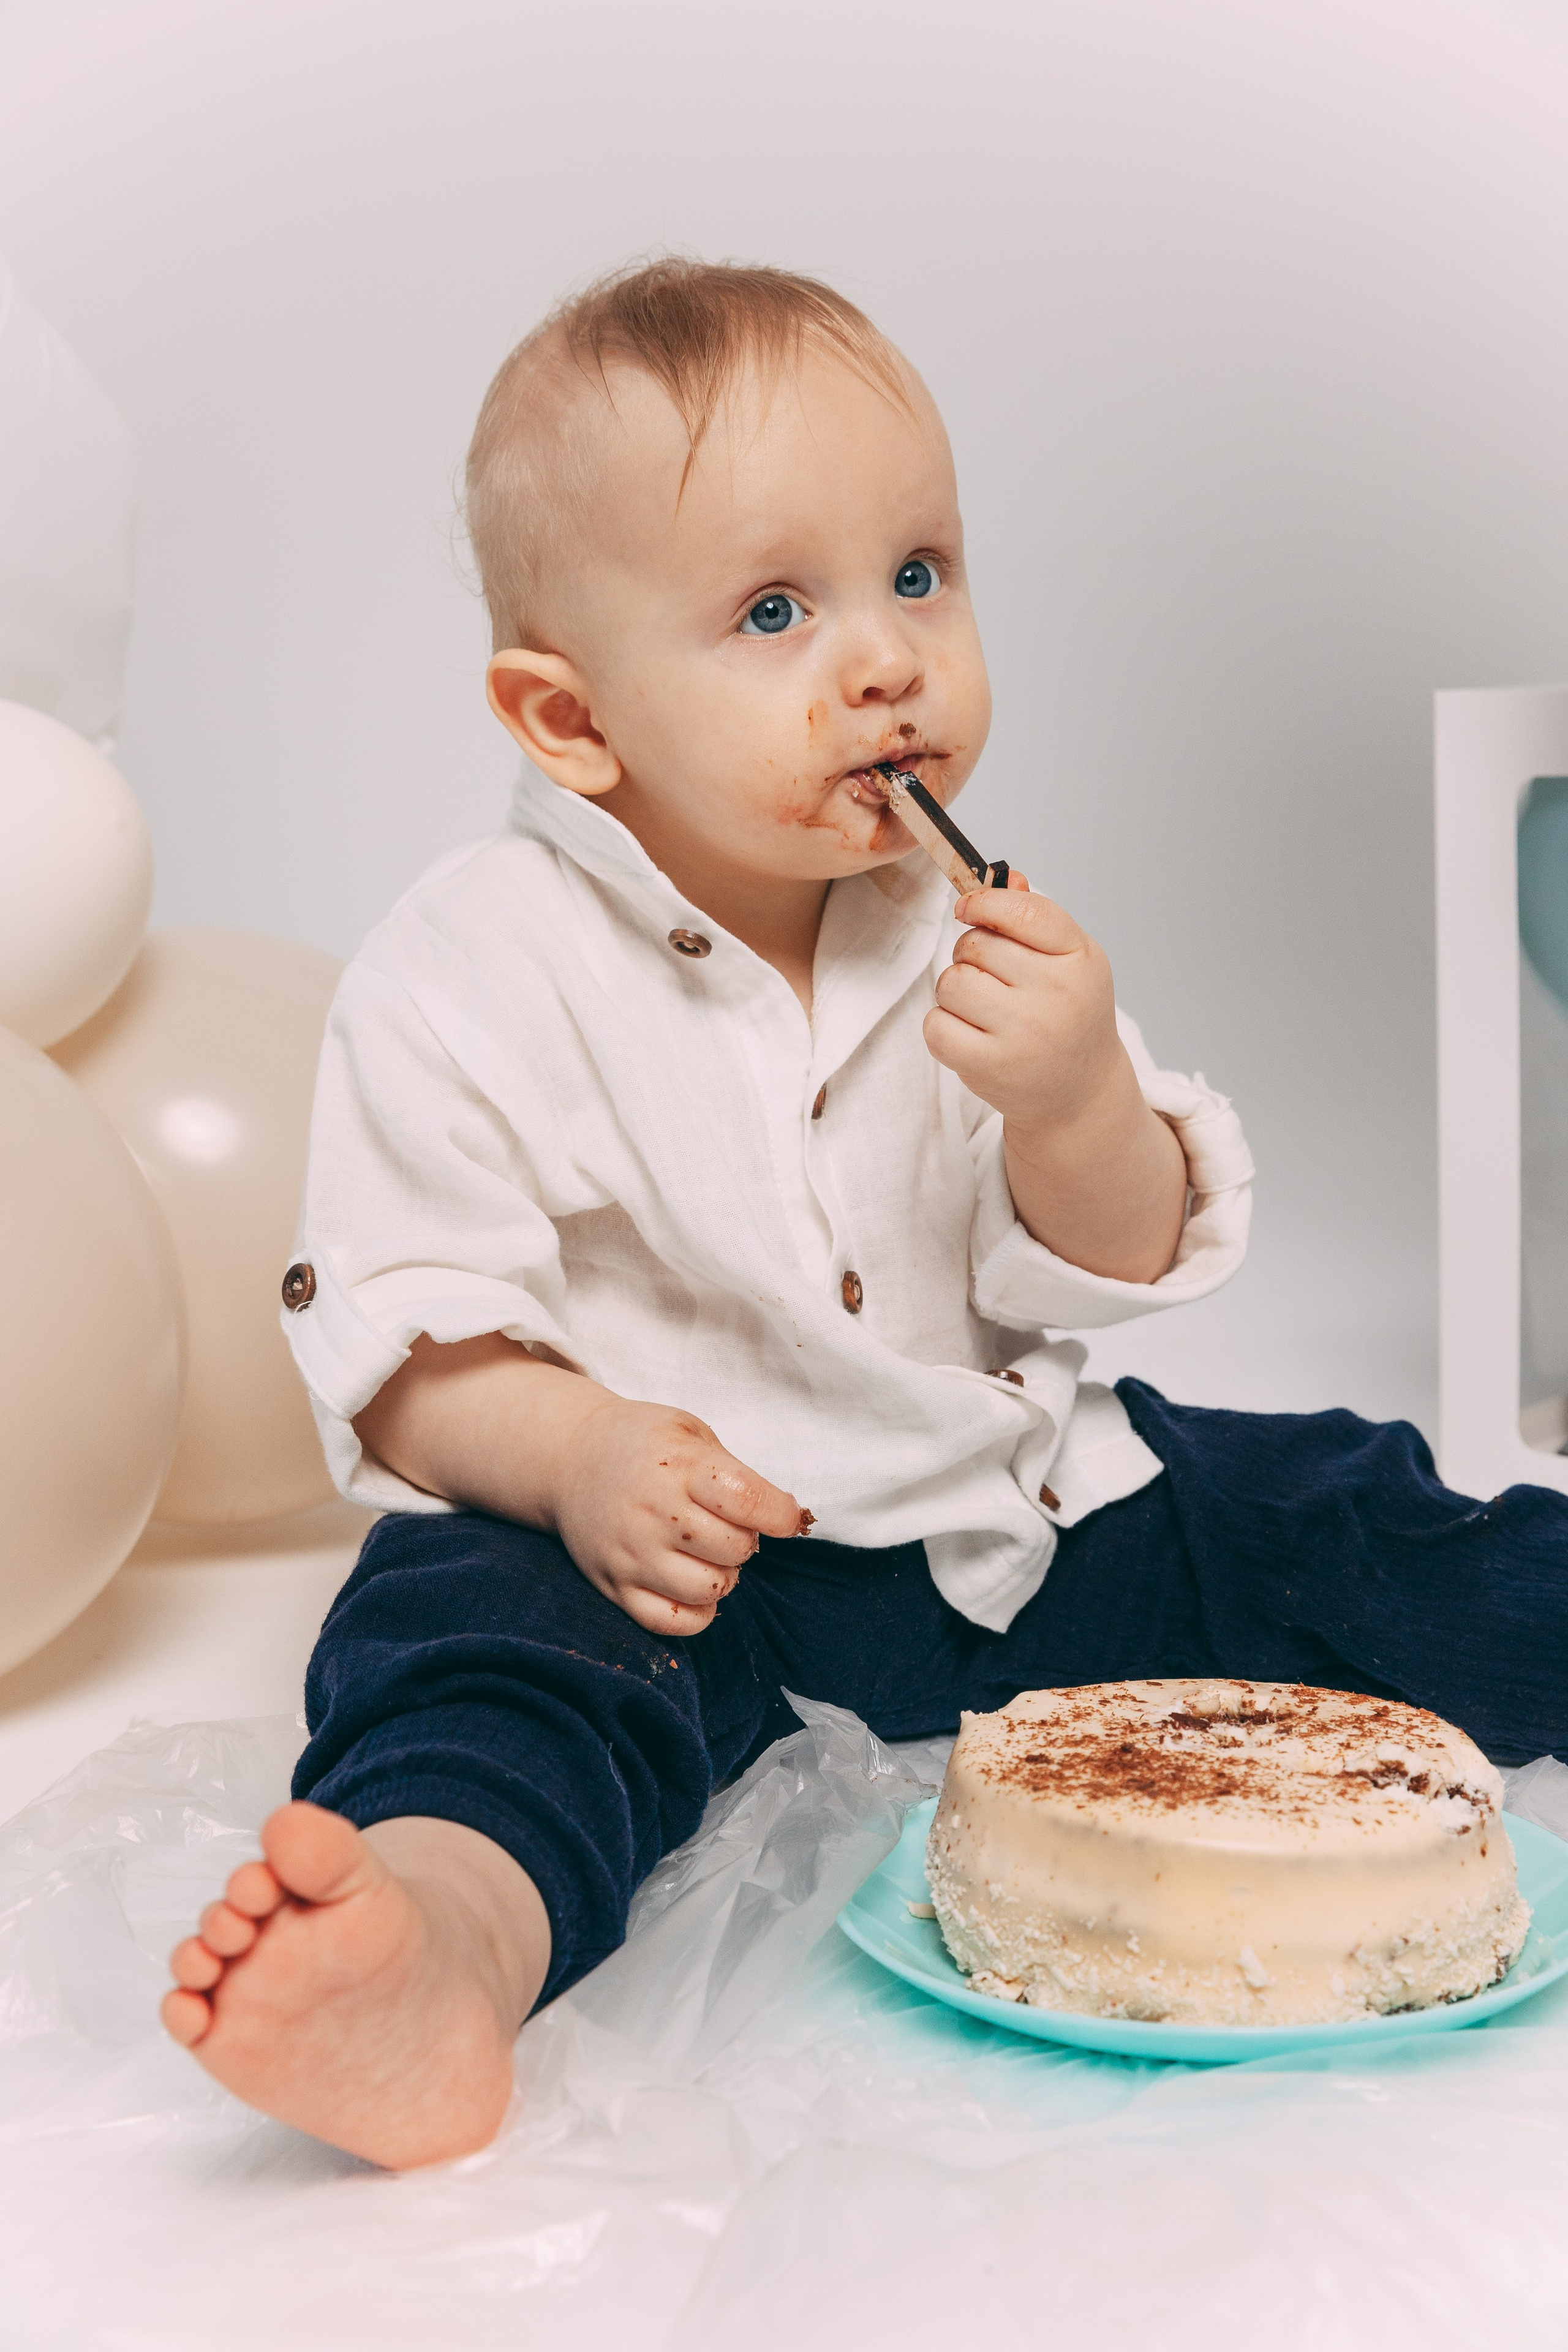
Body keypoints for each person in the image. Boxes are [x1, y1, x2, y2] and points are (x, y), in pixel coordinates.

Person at [159, 258, 1568, 2171]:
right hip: (681, 1573)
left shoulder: (963, 928)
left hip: (1019, 1526)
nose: (887, 656)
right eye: (771, 610)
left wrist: (1078, 1096)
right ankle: (445, 1948)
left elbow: (1109, 1257)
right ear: (567, 720)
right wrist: (573, 1454)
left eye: (919, 573)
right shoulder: (466, 969)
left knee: (1324, 1502)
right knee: (476, 1644)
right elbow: (410, 1349)